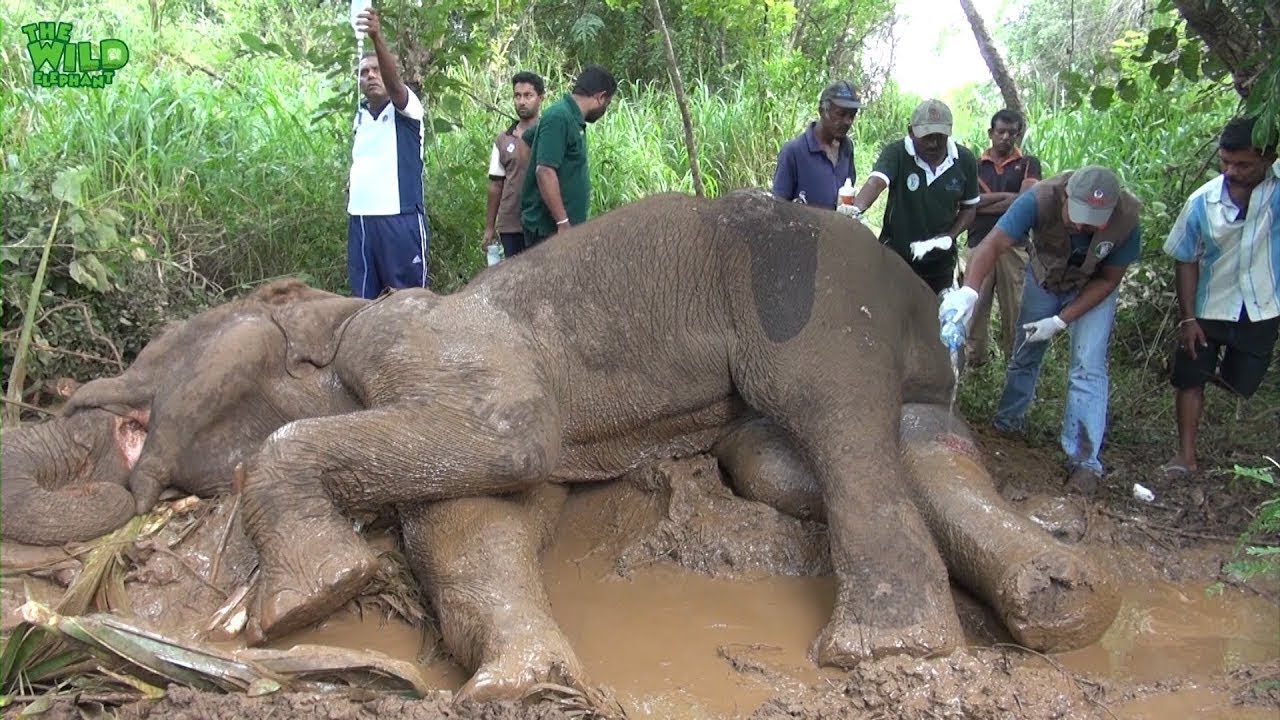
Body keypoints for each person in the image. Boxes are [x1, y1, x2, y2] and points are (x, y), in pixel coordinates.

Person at [939, 165, 1143, 493]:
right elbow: (991, 246)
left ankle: (1084, 461)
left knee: (1087, 366)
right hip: (1046, 276)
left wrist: (1061, 321)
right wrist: (969, 292)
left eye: (1093, 221)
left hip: (1093, 285)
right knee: (1026, 348)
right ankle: (1007, 424)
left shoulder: (1126, 219)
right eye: (1077, 215)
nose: (1082, 226)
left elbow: (1109, 279)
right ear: (1064, 197)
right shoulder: (1038, 199)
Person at [1161, 116, 1279, 478]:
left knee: (1241, 382)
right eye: (1225, 162)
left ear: (1267, 159)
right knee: (1189, 376)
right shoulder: (1202, 202)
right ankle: (1186, 456)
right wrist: (1188, 319)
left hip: (1262, 307)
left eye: (1243, 165)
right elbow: (1186, 258)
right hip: (1209, 306)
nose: (1231, 171)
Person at [847, 99, 980, 293]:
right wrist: (853, 211)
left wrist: (951, 235)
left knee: (933, 316)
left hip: (940, 263)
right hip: (896, 257)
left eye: (940, 136)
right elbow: (876, 182)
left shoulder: (964, 159)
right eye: (927, 137)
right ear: (911, 131)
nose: (934, 144)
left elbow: (970, 208)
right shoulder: (897, 153)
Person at [346, 7, 430, 299]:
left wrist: (376, 37)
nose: (370, 76)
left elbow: (396, 87)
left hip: (399, 219)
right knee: (364, 301)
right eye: (364, 72)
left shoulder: (406, 110)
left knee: (407, 301)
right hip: (361, 221)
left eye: (377, 70)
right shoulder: (360, 118)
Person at [965, 109, 1043, 366]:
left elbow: (1026, 202)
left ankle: (1017, 365)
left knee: (1016, 309)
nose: (1006, 137)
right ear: (991, 133)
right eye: (1000, 132)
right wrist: (1009, 201)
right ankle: (974, 365)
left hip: (1014, 246)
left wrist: (982, 203)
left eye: (1012, 133)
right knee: (974, 308)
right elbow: (965, 206)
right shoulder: (974, 166)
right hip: (979, 243)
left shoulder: (1029, 163)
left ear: (1018, 135)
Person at [520, 65, 617, 247]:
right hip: (550, 231)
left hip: (564, 229)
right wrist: (562, 222)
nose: (605, 109)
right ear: (600, 97)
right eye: (607, 103)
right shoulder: (559, 117)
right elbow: (545, 171)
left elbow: (527, 139)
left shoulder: (570, 117)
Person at [772, 81, 862, 210]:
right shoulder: (793, 152)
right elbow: (778, 206)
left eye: (852, 116)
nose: (847, 122)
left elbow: (847, 191)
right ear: (822, 110)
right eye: (840, 114)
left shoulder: (847, 148)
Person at [484, 71, 545, 259]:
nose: (522, 101)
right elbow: (496, 185)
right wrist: (489, 227)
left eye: (528, 95)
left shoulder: (549, 134)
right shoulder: (503, 140)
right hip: (511, 224)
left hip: (543, 222)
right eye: (517, 96)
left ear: (540, 98)